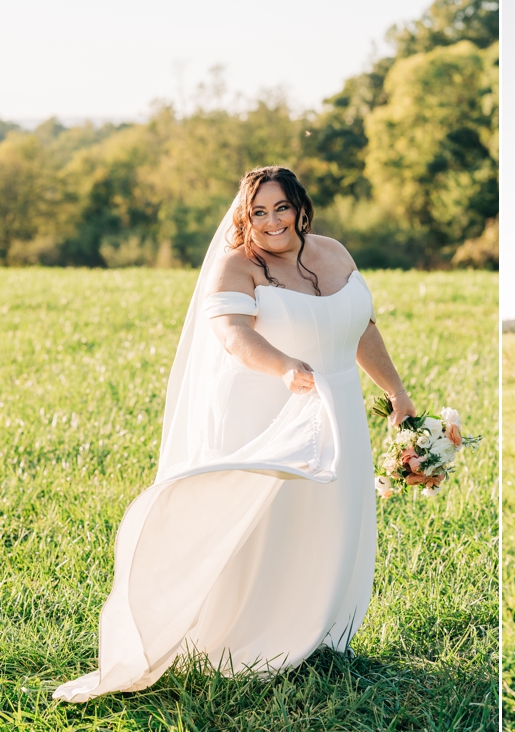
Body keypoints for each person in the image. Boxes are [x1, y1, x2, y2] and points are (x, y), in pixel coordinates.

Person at [54, 166, 416, 702]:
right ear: (246, 217)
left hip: (337, 404)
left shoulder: (334, 254)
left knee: (337, 517)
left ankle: (320, 637)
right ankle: (252, 639)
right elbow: (232, 335)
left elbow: (360, 326)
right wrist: (285, 368)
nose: (272, 222)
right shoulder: (235, 266)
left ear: (300, 206)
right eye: (259, 212)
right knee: (272, 524)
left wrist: (398, 394)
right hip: (273, 407)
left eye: (281, 208)